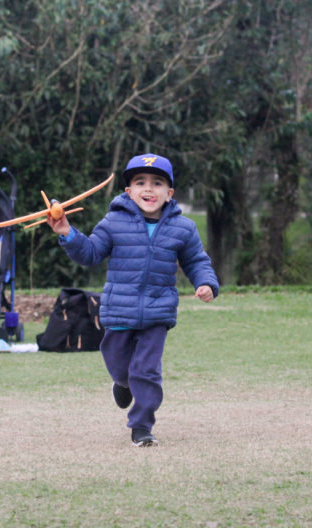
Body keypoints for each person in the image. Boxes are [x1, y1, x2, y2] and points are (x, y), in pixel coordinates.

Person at [47, 153, 219, 447]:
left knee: (146, 371)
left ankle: (141, 426)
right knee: (119, 364)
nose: (148, 189)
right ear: (128, 192)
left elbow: (197, 261)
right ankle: (122, 383)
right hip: (119, 311)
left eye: (157, 183)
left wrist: (207, 283)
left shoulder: (183, 228)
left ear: (170, 193)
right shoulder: (113, 222)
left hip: (157, 313)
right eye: (140, 183)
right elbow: (90, 253)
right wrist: (67, 233)